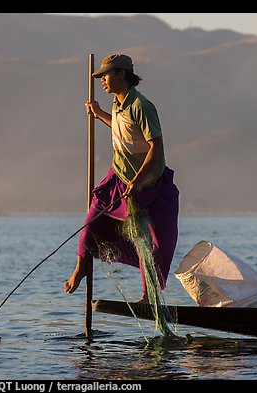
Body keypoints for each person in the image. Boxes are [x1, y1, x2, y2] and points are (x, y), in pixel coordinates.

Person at [64, 53, 179, 303]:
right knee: (90, 226)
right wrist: (100, 114)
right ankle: (80, 267)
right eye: (100, 76)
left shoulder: (141, 106)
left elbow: (155, 147)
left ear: (121, 74)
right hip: (118, 178)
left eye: (105, 75)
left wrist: (137, 180)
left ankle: (148, 295)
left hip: (148, 183)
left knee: (152, 245)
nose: (102, 80)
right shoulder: (118, 104)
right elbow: (121, 129)